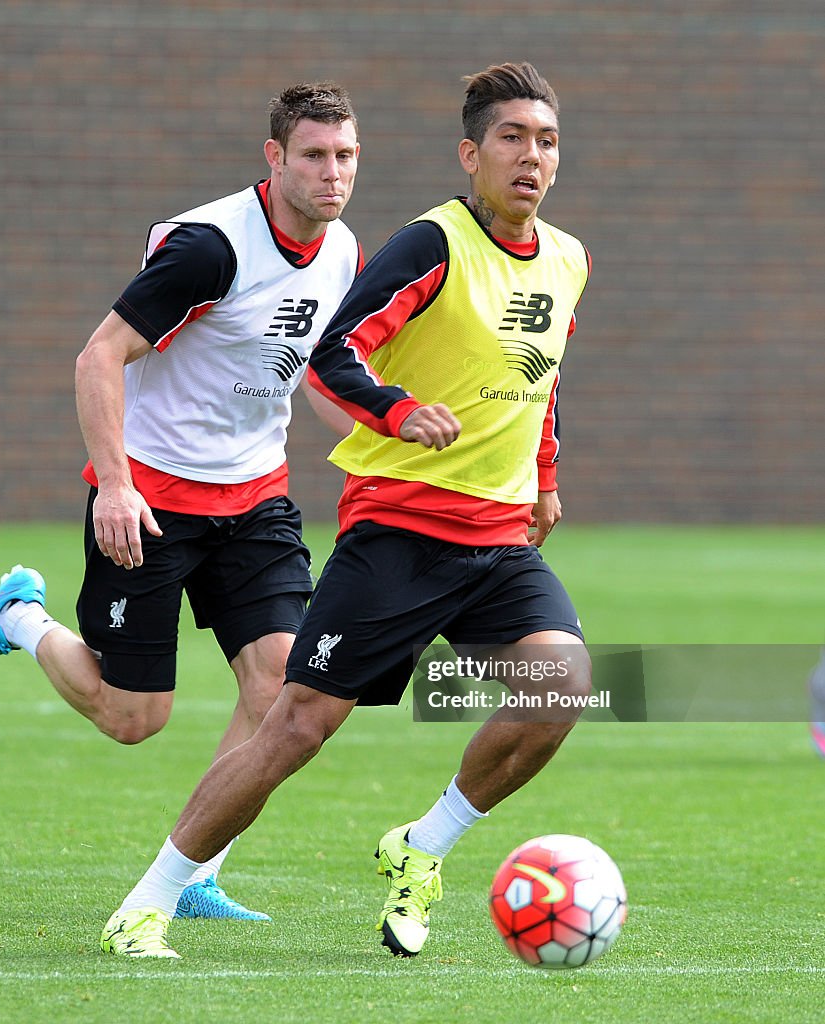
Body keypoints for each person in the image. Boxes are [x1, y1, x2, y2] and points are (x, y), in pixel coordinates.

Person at [98, 60, 593, 960]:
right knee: (295, 727)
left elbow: (543, 377)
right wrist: (401, 413)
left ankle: (423, 844)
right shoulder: (429, 245)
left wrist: (547, 477)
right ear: (470, 154)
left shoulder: (569, 259)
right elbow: (331, 355)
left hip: (496, 541)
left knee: (559, 686)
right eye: (512, 139)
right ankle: (151, 899)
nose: (532, 157)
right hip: (398, 535)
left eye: (547, 141)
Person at [0, 82, 362, 923]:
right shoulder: (210, 248)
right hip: (154, 499)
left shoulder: (344, 249)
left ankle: (195, 870)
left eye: (345, 155)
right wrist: (117, 485)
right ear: (274, 158)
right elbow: (99, 357)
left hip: (256, 499)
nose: (332, 173)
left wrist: (373, 441)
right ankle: (18, 617)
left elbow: (312, 369)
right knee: (134, 718)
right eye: (313, 155)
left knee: (284, 689)